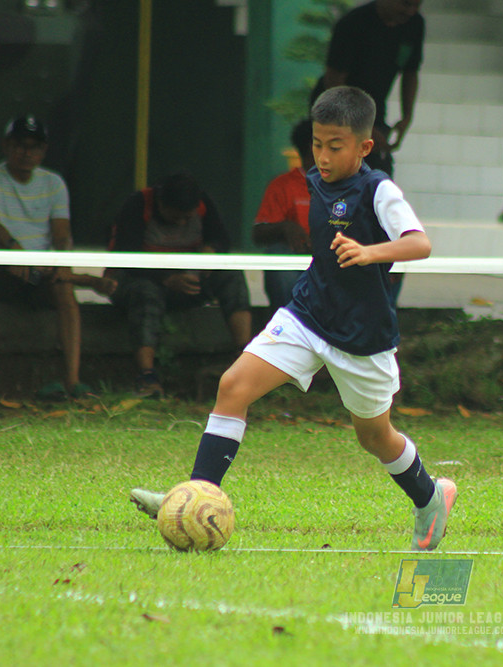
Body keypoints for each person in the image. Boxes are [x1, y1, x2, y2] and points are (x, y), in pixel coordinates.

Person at [129, 86, 457, 551]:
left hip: (363, 337)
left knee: (374, 436)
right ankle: (194, 495)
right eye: (317, 145)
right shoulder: (315, 178)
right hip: (307, 315)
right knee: (233, 386)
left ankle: (431, 497)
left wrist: (369, 252)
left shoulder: (377, 189)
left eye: (335, 146)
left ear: (365, 147)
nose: (322, 156)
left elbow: (418, 242)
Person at [0, 115, 115, 400]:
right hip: (2, 266)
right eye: (19, 145)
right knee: (14, 264)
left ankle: (72, 381)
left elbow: (62, 235)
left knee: (63, 288)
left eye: (34, 146)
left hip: (42, 270)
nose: (26, 153)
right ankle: (87, 280)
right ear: (6, 146)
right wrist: (16, 252)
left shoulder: (54, 183)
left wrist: (60, 262)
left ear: (44, 151)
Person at [104, 171, 253, 398]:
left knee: (232, 275)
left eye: (187, 217)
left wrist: (209, 253)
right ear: (161, 203)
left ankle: (244, 357)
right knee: (146, 293)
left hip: (189, 281)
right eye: (176, 217)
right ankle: (147, 374)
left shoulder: (204, 204)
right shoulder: (137, 205)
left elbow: (222, 239)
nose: (182, 223)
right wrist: (166, 278)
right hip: (139, 280)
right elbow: (126, 258)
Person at [310, 0, 424, 179]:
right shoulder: (353, 24)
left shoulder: (414, 24)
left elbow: (410, 71)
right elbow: (334, 81)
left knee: (377, 175)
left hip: (372, 107)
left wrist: (407, 116)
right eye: (406, 4)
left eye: (417, 5)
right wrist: (359, 127)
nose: (411, 11)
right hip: (335, 111)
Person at [252, 119, 313, 309]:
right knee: (277, 255)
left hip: (337, 258)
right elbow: (258, 234)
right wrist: (285, 227)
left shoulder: (352, 184)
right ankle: (291, 327)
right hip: (299, 262)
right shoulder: (282, 185)